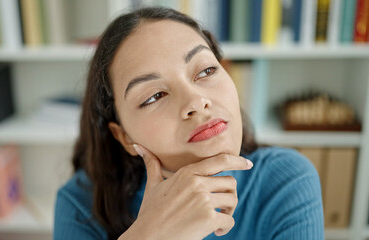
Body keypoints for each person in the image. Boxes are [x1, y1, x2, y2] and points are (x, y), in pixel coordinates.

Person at [54, 7, 324, 240]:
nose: (196, 101)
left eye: (206, 70)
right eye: (154, 96)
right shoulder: (80, 204)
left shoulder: (286, 179)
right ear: (123, 136)